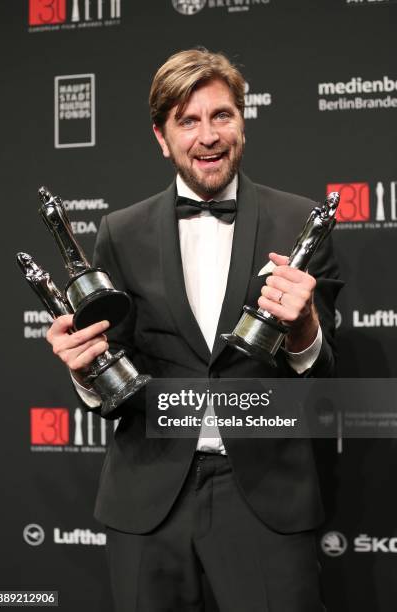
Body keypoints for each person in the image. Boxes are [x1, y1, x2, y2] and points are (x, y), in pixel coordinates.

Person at [46, 49, 342, 612]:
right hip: (149, 498)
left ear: (242, 122)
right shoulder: (119, 232)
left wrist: (303, 326)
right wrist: (86, 371)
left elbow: (324, 371)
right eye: (188, 120)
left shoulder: (300, 221)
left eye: (221, 115)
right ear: (162, 136)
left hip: (264, 496)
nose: (208, 135)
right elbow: (114, 368)